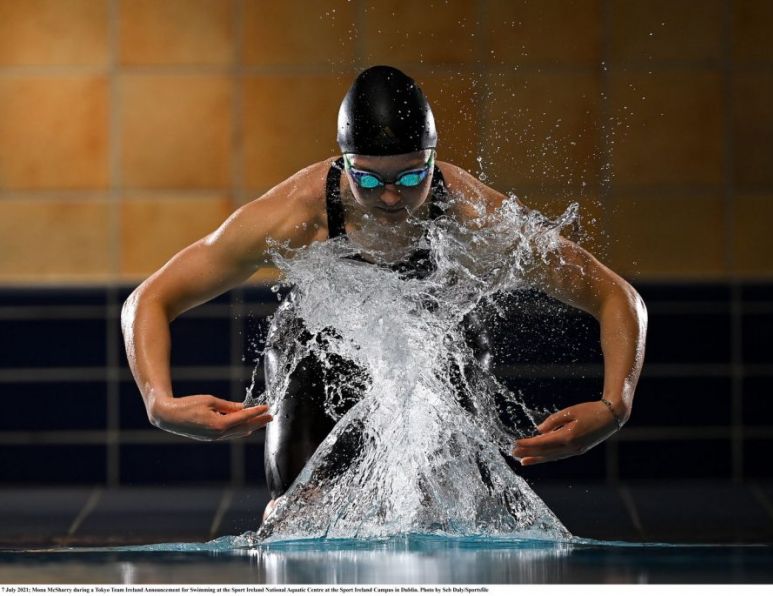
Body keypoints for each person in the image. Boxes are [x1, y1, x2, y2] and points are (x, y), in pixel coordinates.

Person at [121, 65, 647, 515]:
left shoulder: (473, 217)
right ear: (343, 161)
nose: (391, 197)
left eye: (412, 176)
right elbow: (149, 299)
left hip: (438, 348)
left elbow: (617, 296)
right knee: (298, 511)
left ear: (434, 160)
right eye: (368, 180)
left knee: (462, 510)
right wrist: (158, 402)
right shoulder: (294, 216)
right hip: (319, 356)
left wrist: (614, 406)